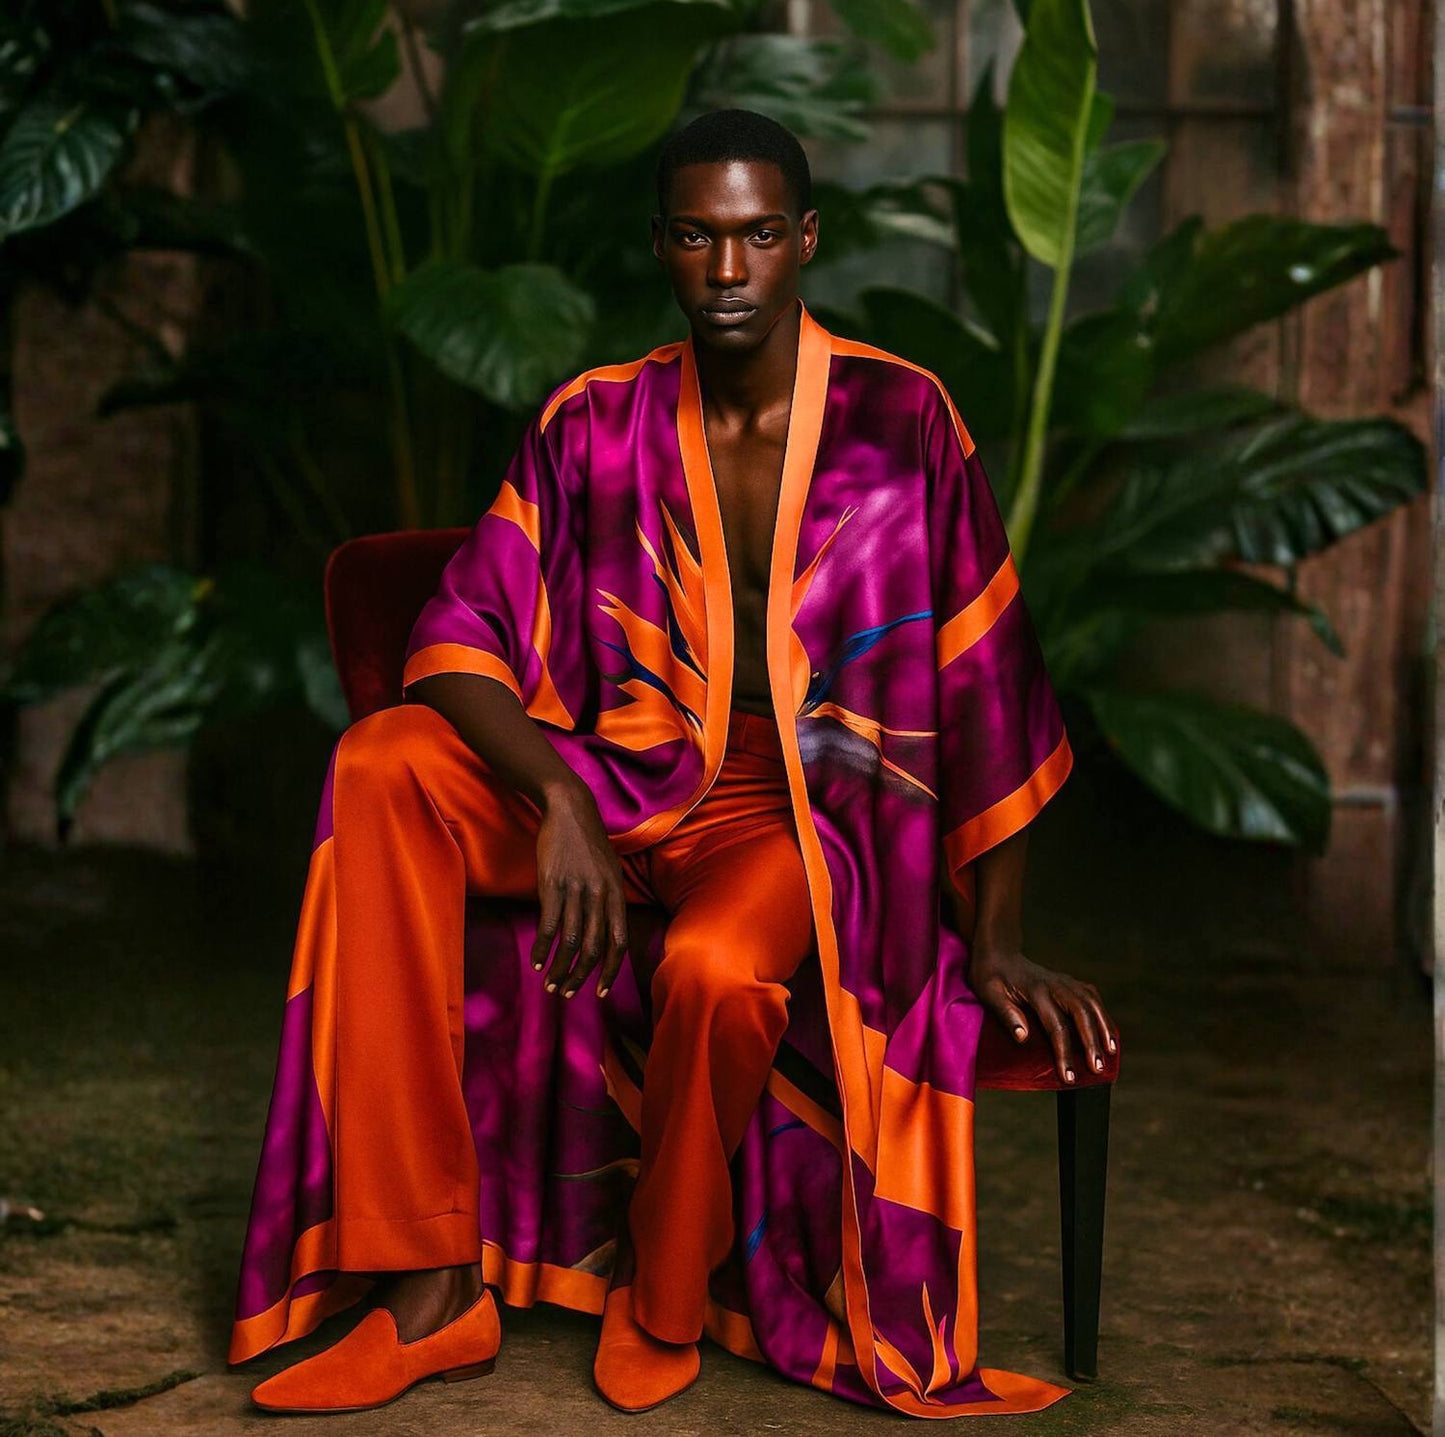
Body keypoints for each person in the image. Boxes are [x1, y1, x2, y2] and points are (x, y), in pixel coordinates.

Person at [229, 108, 1118, 1419]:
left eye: (759, 234)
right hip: (616, 768)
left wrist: (991, 942)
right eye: (697, 236)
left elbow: (990, 689)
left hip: (801, 815)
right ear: (659, 246)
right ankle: (427, 1289)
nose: (728, 268)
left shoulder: (900, 421)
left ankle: (661, 1293)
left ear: (804, 239)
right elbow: (460, 635)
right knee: (382, 763)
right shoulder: (593, 421)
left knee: (710, 967)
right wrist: (559, 797)